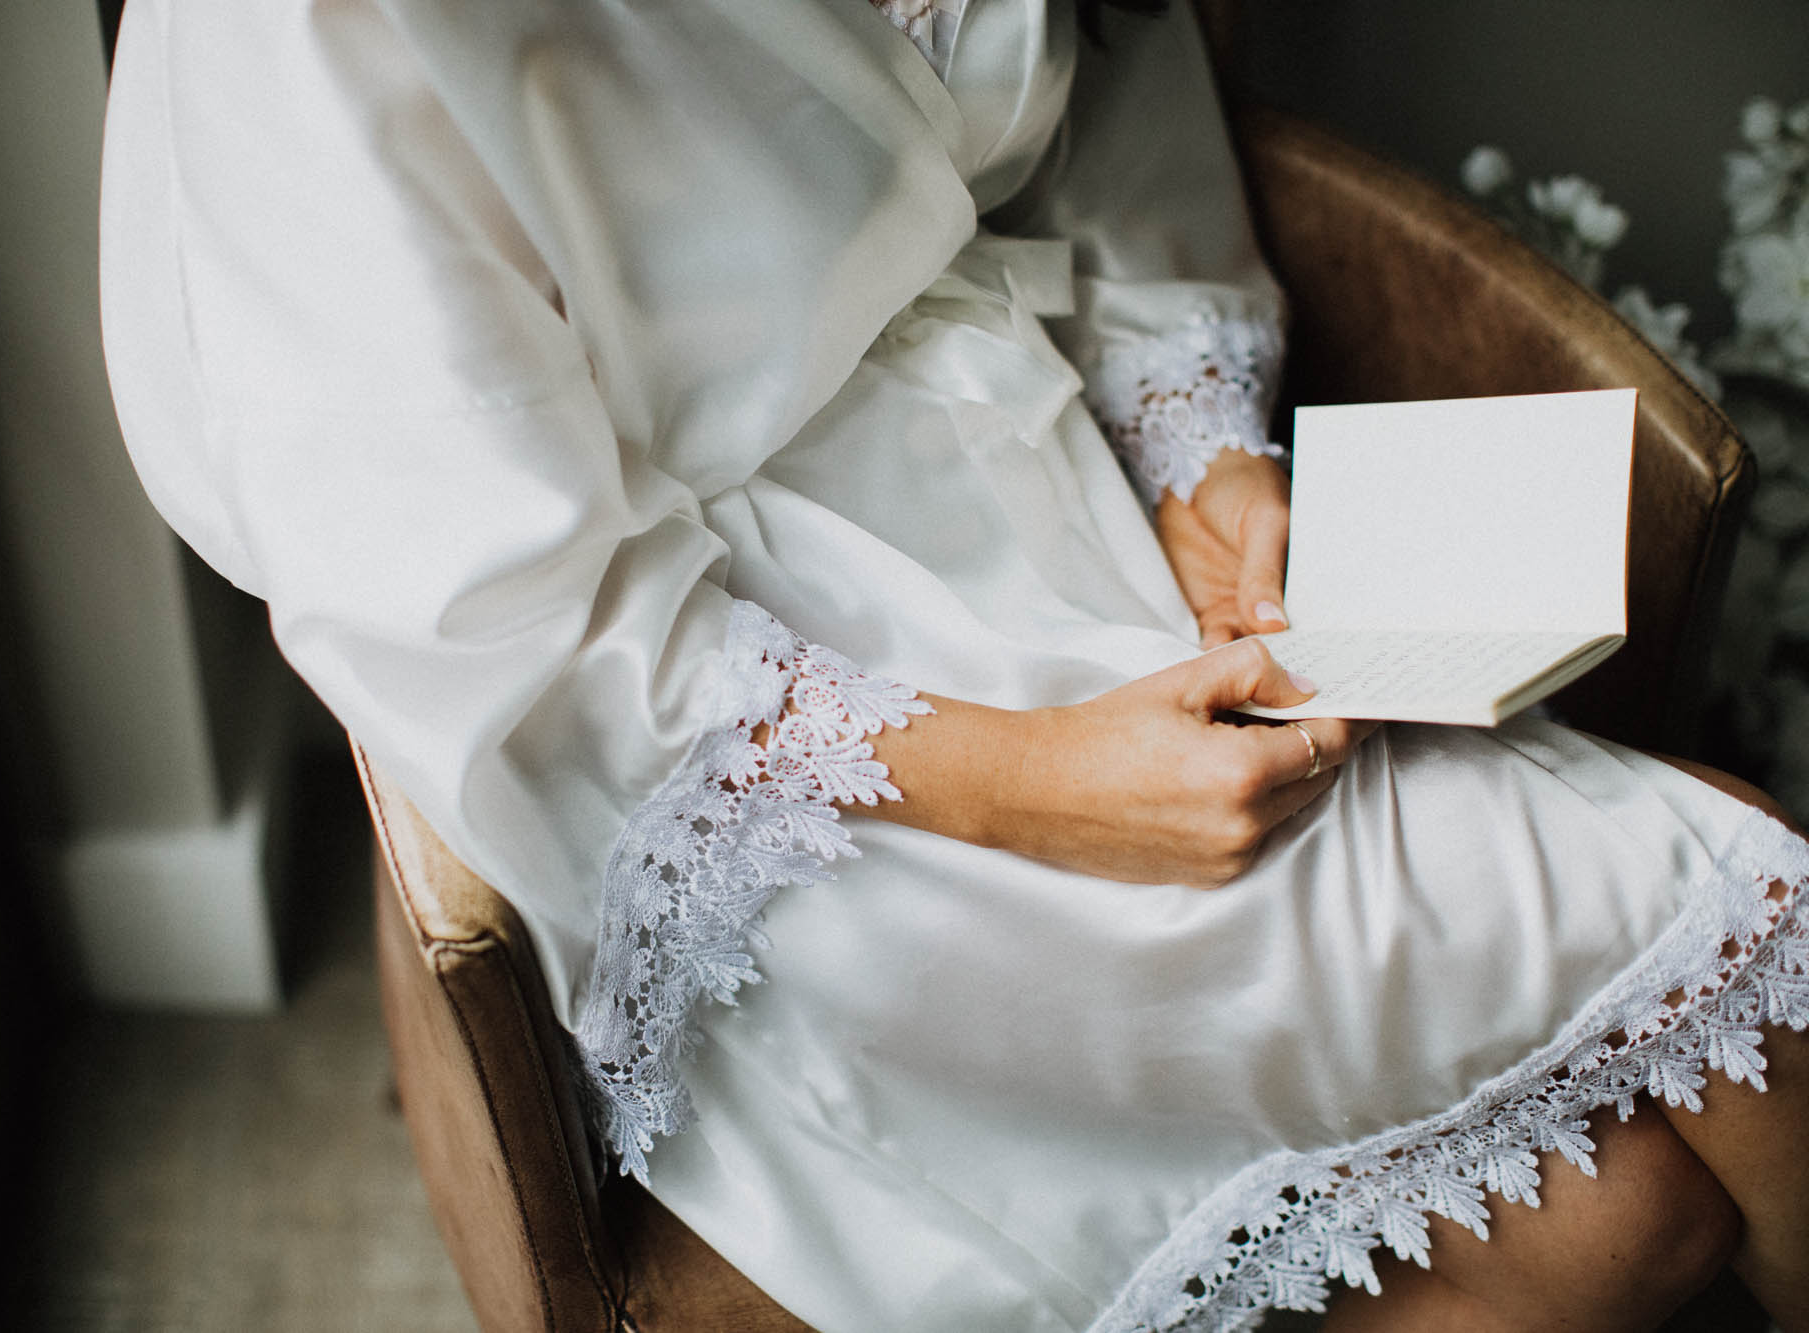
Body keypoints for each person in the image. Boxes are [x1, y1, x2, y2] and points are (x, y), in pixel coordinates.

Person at [98, 0, 1809, 1327]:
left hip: (1052, 494)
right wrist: (1033, 783)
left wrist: (1200, 448)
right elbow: (488, 611)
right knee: (1768, 931)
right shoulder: (292, 34)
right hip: (758, 722)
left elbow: (1085, 129)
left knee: (1634, 1224)